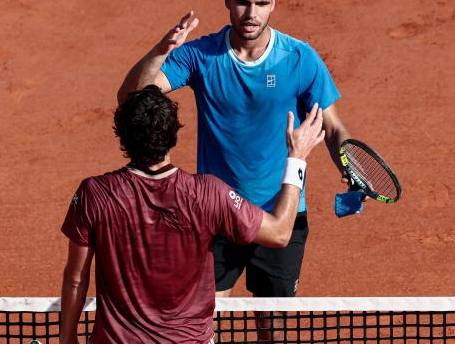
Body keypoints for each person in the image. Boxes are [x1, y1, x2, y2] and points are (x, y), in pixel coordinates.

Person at [117, 0, 351, 303]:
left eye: (262, 3)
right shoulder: (200, 56)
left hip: (281, 211)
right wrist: (162, 49)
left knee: (273, 329)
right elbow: (131, 97)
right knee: (202, 323)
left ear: (274, 3)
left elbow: (333, 128)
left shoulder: (300, 59)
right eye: (242, 2)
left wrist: (351, 166)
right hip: (215, 210)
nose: (251, 14)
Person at [60, 85, 325, 344]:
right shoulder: (208, 192)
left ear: (123, 137)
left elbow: (75, 280)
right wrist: (296, 159)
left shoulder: (94, 193)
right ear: (173, 134)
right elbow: (279, 234)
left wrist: (66, 338)